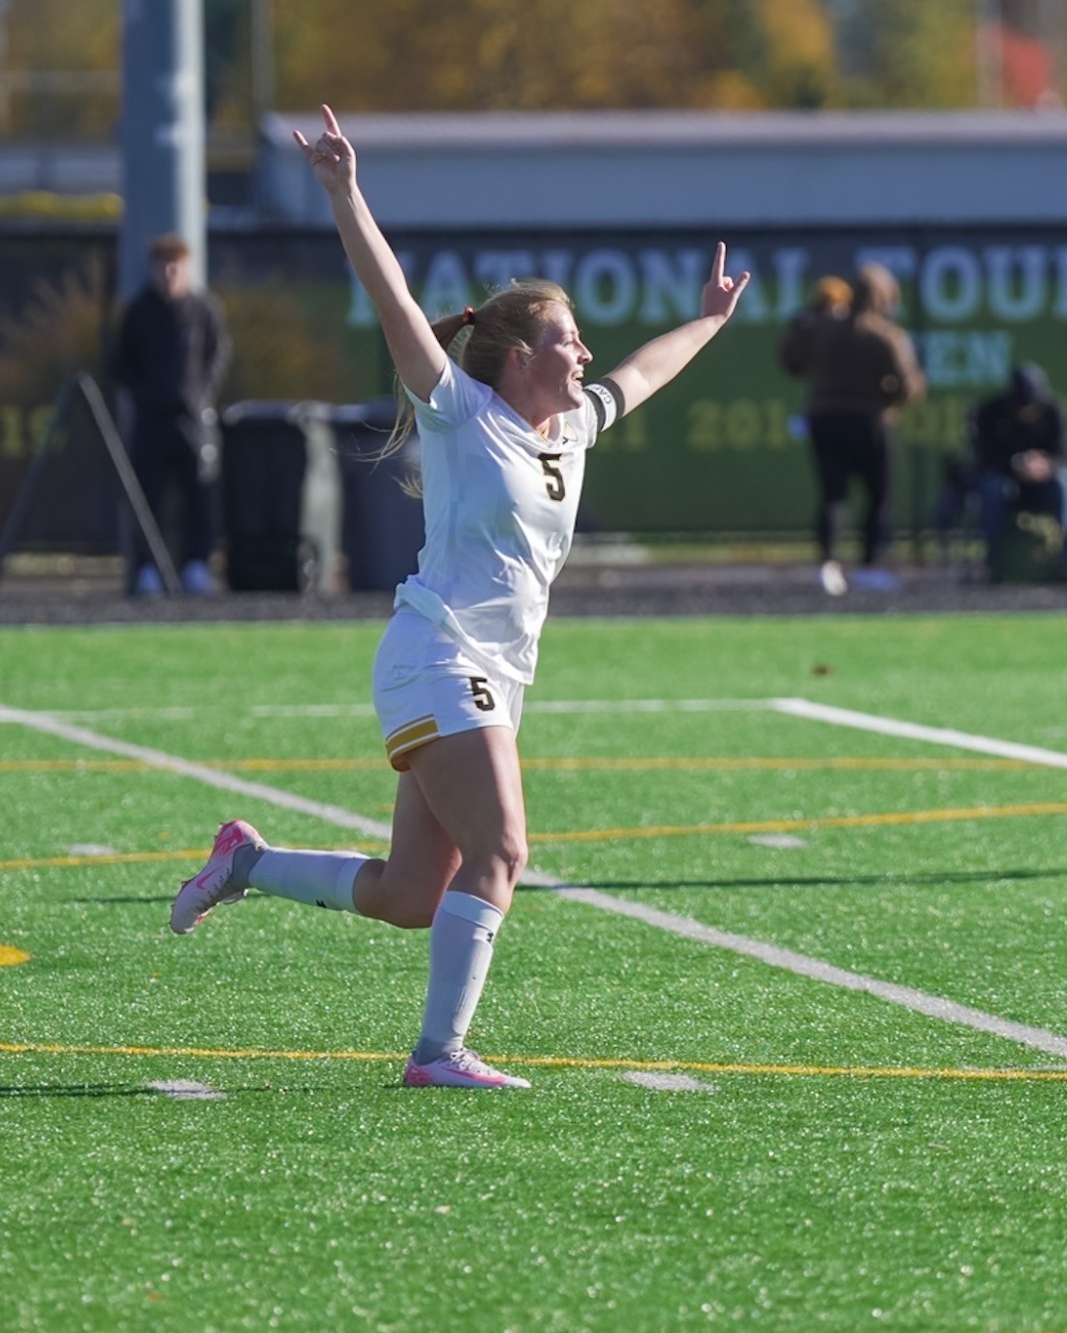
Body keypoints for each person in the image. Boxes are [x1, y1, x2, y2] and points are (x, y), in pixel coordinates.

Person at [167, 105, 748, 1090]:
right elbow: (391, 296)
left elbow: (648, 369)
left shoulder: (572, 429)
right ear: (516, 353)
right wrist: (344, 190)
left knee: (406, 893)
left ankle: (247, 861)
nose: (584, 354)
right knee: (503, 849)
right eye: (567, 339)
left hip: (489, 675)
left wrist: (709, 317)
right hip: (436, 655)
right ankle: (436, 1053)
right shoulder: (462, 414)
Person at [778, 266, 924, 594]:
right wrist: (886, 400)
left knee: (833, 494)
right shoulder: (885, 335)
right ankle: (869, 565)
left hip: (825, 418)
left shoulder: (823, 329)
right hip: (869, 421)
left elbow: (791, 361)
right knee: (879, 494)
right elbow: (907, 386)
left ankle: (827, 565)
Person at [112, 233, 231, 597]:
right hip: (151, 421)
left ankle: (196, 566)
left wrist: (200, 393)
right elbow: (120, 364)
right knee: (147, 497)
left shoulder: (204, 309)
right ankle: (148, 570)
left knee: (199, 494)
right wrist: (144, 394)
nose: (168, 272)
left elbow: (217, 353)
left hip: (193, 421)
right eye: (162, 264)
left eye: (175, 264)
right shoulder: (138, 312)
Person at [969, 363, 1067, 579]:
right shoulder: (990, 411)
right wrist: (1016, 465)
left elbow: (1065, 455)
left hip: (1044, 480)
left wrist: (1044, 465)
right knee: (993, 487)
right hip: (1005, 477)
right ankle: (994, 561)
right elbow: (983, 458)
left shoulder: (1053, 410)